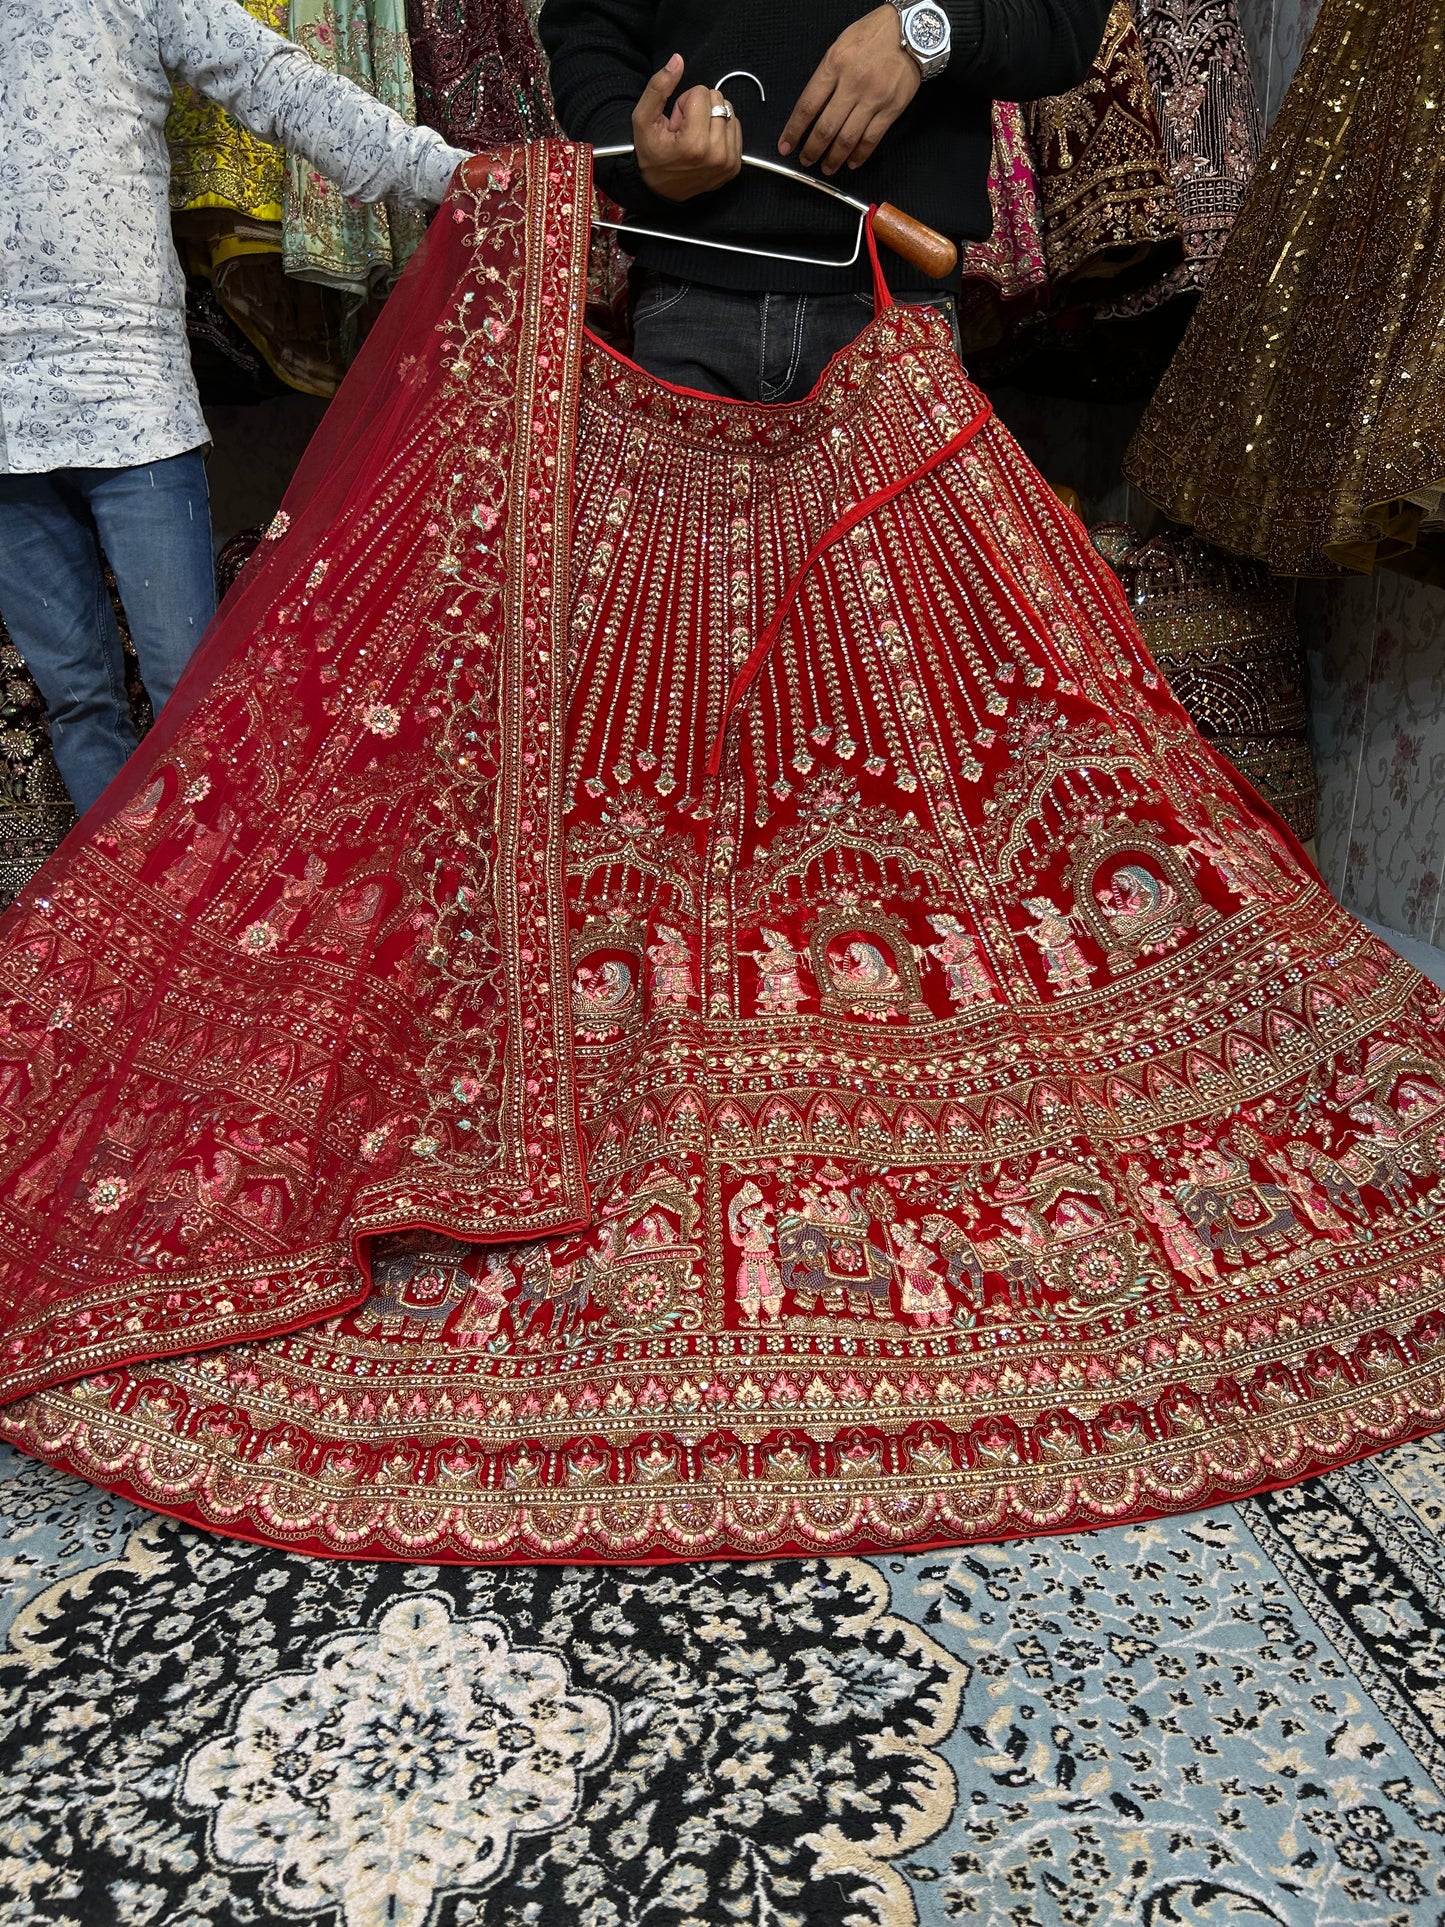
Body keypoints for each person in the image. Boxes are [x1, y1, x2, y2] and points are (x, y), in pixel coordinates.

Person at [0, 0, 469, 816]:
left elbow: (276, 83)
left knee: (194, 700)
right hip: (6, 441)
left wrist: (448, 174)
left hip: (134, 406)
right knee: (80, 707)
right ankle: (124, 929)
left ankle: (207, 928)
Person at [539, 0, 1112, 398]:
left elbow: (1063, 20)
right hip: (688, 305)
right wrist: (635, 154)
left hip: (894, 314)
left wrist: (924, 29)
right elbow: (590, 28)